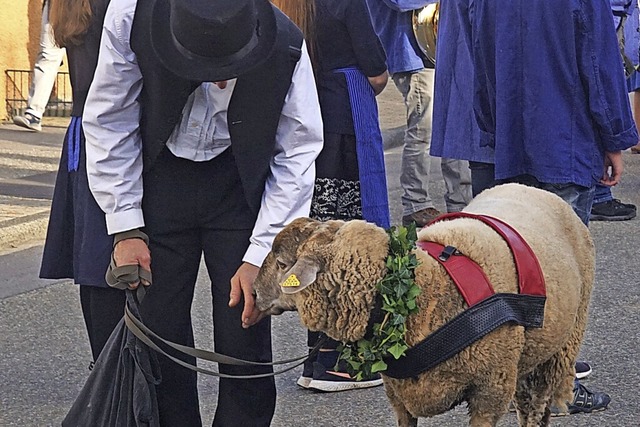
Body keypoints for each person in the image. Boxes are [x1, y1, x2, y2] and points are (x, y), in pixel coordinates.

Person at [82, 0, 323, 425]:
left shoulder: (286, 44)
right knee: (159, 331)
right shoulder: (129, 19)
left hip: (238, 182)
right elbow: (110, 119)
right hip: (158, 174)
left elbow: (297, 153)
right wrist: (126, 227)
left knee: (244, 327)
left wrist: (261, 257)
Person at [432, 0, 639, 416]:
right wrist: (616, 136)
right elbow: (598, 62)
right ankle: (555, 386)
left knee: (504, 273)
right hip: (564, 138)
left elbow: (476, 60)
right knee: (560, 277)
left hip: (503, 142)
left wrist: (491, 126)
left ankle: (505, 380)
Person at [272, 0, 390, 392]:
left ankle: (315, 356)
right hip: (344, 122)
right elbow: (375, 72)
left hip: (304, 124)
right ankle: (341, 361)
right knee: (348, 247)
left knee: (313, 246)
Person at [38, 0, 123, 365]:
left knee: (93, 256)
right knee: (110, 252)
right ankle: (116, 364)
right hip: (114, 130)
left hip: (83, 131)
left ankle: (102, 359)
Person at [364, 0, 472, 227]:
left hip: (442, 48)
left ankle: (461, 202)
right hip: (410, 53)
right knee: (424, 130)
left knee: (455, 125)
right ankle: (416, 203)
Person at [590, 0, 639, 222]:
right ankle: (598, 195)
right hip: (608, 16)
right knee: (599, 91)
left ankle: (599, 194)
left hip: (615, 15)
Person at [12, 0, 66, 132]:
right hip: (57, 5)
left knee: (88, 57)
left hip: (87, 6)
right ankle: (34, 115)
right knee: (48, 56)